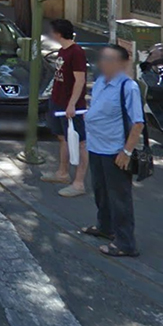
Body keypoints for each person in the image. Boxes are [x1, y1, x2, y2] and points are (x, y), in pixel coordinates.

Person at [81, 44, 145, 258]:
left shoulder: (128, 87)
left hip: (115, 152)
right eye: (103, 59)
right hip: (95, 146)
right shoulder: (101, 82)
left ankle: (126, 243)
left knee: (119, 198)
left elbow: (138, 123)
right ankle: (105, 227)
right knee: (100, 190)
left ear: (122, 64)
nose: (104, 63)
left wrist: (126, 152)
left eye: (110, 60)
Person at [42, 19, 89, 196]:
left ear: (58, 33)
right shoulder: (63, 51)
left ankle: (79, 183)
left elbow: (80, 80)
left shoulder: (76, 52)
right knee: (63, 138)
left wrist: (72, 104)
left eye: (52, 31)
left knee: (80, 142)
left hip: (70, 105)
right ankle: (62, 173)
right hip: (58, 101)